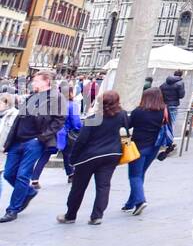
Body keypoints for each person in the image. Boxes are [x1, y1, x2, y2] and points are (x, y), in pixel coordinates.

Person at [1, 70, 66, 222]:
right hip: (18, 141)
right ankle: (29, 192)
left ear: (46, 81)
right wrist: (9, 141)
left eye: (36, 81)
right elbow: (19, 120)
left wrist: (42, 137)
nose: (33, 83)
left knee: (23, 174)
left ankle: (12, 210)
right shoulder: (32, 96)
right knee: (8, 173)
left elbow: (60, 119)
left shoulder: (56, 97)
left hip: (34, 142)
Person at [57, 90, 129, 226]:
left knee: (78, 187)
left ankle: (70, 215)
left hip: (89, 157)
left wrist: (73, 159)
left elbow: (81, 141)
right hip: (112, 155)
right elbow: (126, 131)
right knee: (103, 186)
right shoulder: (123, 115)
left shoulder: (93, 119)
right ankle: (97, 216)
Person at [121, 87, 166, 216]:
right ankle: (131, 203)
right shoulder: (163, 112)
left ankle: (140, 201)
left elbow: (128, 125)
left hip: (138, 147)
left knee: (134, 175)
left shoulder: (139, 111)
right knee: (140, 174)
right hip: (154, 147)